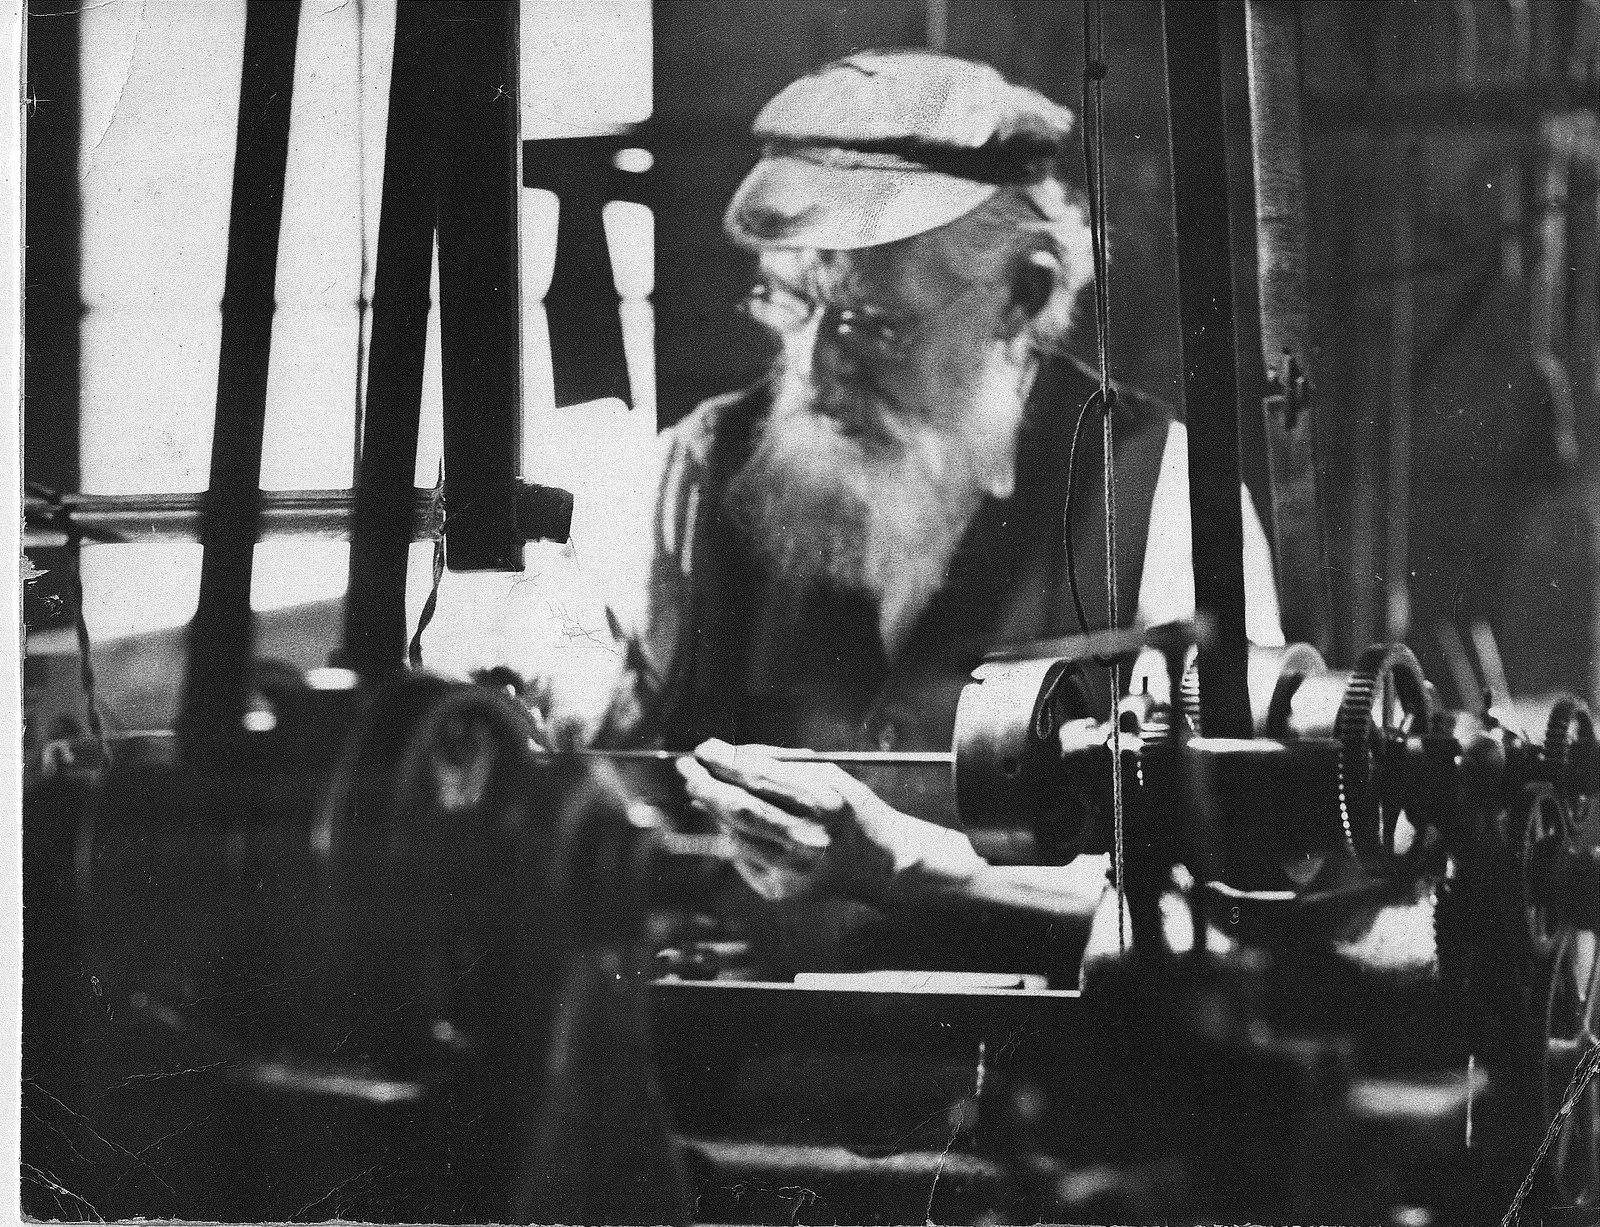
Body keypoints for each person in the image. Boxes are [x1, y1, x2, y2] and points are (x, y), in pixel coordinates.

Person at [551, 50, 1283, 974]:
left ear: (1020, 296)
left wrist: (906, 864)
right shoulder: (701, 472)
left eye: (872, 324)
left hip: (1047, 1098)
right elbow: (605, 800)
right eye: (794, 304)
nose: (815, 371)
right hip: (752, 1097)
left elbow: (1231, 904)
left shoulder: (1161, 490)